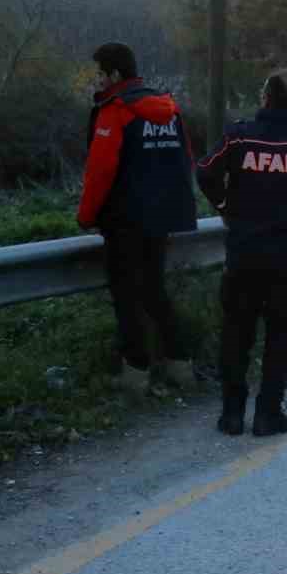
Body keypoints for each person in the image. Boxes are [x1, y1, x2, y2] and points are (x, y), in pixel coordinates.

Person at [196, 68, 287, 437]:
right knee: (280, 336)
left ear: (265, 97)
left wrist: (224, 204)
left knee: (236, 334)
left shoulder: (238, 136)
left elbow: (205, 171)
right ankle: (268, 415)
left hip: (243, 255)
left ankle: (231, 415)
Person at [77, 42, 199, 394]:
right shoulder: (169, 109)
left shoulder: (115, 111)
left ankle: (135, 373)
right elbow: (186, 160)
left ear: (115, 74)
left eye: (100, 73)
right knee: (154, 290)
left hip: (125, 219)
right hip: (162, 216)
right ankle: (180, 366)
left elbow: (100, 172)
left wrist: (86, 217)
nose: (96, 81)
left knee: (126, 293)